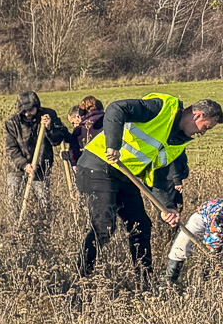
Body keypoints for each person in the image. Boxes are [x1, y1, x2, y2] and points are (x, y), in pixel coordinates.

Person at [74, 93, 222, 281]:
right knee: (104, 226)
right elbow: (116, 109)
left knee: (141, 226)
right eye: (205, 127)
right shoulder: (162, 108)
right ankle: (81, 277)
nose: (202, 133)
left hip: (125, 176)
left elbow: (157, 179)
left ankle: (144, 281)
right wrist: (113, 144)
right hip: (98, 165)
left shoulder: (176, 143)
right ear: (198, 115)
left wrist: (166, 207)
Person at [2, 92, 70, 217]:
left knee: (44, 202)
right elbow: (11, 149)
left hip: (41, 168)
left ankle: (45, 225)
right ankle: (15, 229)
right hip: (18, 169)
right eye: (24, 111)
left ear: (37, 107)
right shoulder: (12, 123)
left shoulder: (49, 115)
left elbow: (57, 140)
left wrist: (49, 127)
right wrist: (24, 164)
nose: (27, 114)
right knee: (13, 202)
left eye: (31, 110)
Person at [163, 198, 223, 292]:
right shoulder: (218, 219)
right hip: (204, 215)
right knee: (182, 244)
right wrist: (217, 261)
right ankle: (169, 283)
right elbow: (214, 245)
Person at [66, 97, 104, 163]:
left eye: (74, 123)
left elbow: (75, 154)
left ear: (78, 116)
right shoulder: (110, 121)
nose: (74, 126)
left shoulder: (81, 131)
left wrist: (69, 156)